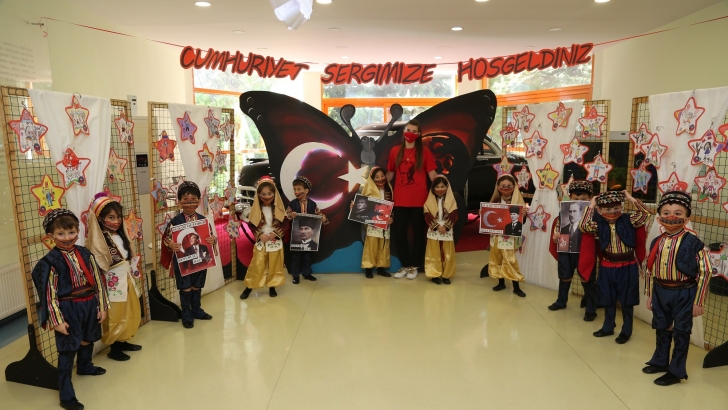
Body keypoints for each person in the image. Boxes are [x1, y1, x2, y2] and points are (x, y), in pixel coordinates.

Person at [31, 209, 110, 410]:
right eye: (61, 234)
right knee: (67, 348)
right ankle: (66, 394)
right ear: (51, 236)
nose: (67, 237)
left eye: (71, 232)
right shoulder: (49, 262)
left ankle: (85, 366)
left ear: (78, 231)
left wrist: (102, 305)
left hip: (89, 303)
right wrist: (57, 320)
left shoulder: (85, 253)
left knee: (88, 337)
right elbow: (48, 294)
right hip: (68, 308)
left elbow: (98, 280)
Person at [643, 191, 711, 386]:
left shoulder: (695, 243)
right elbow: (650, 269)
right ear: (659, 218)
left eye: (678, 213)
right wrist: (650, 295)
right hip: (660, 291)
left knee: (681, 332)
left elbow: (705, 271)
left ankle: (676, 371)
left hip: (684, 293)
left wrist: (698, 301)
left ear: (687, 218)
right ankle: (660, 361)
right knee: (662, 326)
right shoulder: (656, 241)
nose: (671, 216)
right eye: (666, 213)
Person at [580, 190, 650, 344]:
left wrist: (631, 199)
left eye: (616, 207)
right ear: (600, 210)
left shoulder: (630, 219)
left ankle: (626, 331)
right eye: (608, 208)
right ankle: (608, 327)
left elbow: (646, 214)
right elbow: (584, 226)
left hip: (628, 266)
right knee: (607, 298)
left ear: (621, 207)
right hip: (607, 267)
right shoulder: (598, 224)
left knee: (627, 301)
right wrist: (590, 206)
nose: (612, 211)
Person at [85, 193, 142, 362]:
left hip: (126, 278)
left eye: (118, 217)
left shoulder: (121, 235)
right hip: (112, 283)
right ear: (100, 218)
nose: (116, 221)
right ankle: (114, 348)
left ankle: (123, 340)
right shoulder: (97, 240)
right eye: (111, 217)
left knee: (128, 309)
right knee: (115, 314)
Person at [161, 181, 216, 329]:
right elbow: (166, 238)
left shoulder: (203, 220)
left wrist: (213, 240)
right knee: (185, 287)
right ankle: (186, 314)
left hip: (200, 259)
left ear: (199, 201)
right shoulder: (175, 221)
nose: (189, 202)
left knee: (197, 286)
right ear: (179, 201)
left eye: (193, 199)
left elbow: (210, 236)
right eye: (185, 199)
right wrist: (171, 244)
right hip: (183, 260)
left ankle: (197, 310)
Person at [387, 119, 437, 279]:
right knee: (400, 234)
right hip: (400, 201)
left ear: (419, 134)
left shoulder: (425, 152)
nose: (411, 133)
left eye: (414, 131)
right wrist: (373, 186)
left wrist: (443, 188)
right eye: (408, 130)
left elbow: (433, 175)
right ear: (404, 131)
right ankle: (404, 265)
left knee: (418, 235)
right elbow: (390, 175)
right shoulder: (395, 151)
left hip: (420, 201)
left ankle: (414, 266)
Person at [547, 180, 599, 321]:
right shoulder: (563, 213)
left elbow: (598, 233)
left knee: (587, 279)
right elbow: (557, 229)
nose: (580, 201)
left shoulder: (596, 214)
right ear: (570, 197)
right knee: (564, 276)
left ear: (590, 197)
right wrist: (556, 236)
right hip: (566, 250)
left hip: (585, 251)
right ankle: (561, 301)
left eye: (584, 199)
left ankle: (591, 309)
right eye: (576, 198)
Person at [241, 176, 287, 299]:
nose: (266, 196)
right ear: (259, 195)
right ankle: (249, 287)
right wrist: (260, 234)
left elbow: (285, 224)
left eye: (269, 194)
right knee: (257, 264)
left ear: (274, 194)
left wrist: (275, 233)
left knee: (274, 264)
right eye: (263, 194)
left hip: (274, 239)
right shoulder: (256, 209)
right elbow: (252, 225)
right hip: (262, 240)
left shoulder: (279, 209)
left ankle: (272, 286)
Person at [488, 174, 528, 297]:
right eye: (503, 186)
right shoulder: (495, 201)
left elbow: (522, 222)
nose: (506, 188)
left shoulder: (517, 203)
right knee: (497, 259)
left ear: (514, 187)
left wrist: (524, 215)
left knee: (511, 260)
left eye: (509, 186)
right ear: (498, 187)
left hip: (510, 237)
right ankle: (501, 283)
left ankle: (516, 287)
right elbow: (489, 218)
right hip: (496, 236)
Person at [286, 176, 327, 283]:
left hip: (309, 236)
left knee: (307, 255)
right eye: (294, 189)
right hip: (296, 235)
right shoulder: (292, 204)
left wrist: (323, 219)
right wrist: (291, 216)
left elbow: (320, 215)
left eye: (299, 189)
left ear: (306, 190)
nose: (296, 192)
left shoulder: (313, 204)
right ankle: (295, 275)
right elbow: (285, 216)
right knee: (295, 255)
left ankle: (307, 273)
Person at [356, 166, 394, 278]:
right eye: (377, 177)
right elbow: (362, 207)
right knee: (371, 245)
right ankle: (368, 268)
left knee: (383, 245)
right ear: (372, 179)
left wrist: (392, 217)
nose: (380, 179)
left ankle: (381, 268)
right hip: (372, 224)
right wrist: (355, 207)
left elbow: (392, 207)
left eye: (382, 176)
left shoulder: (389, 190)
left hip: (385, 223)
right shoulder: (368, 192)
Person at [424, 175, 458, 284]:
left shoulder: (451, 201)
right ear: (433, 188)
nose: (440, 189)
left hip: (446, 228)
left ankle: (446, 275)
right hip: (434, 228)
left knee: (447, 253)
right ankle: (434, 274)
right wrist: (436, 226)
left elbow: (454, 215)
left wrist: (446, 227)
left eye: (442, 186)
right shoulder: (429, 201)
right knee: (434, 252)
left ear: (447, 187)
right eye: (437, 187)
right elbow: (427, 214)